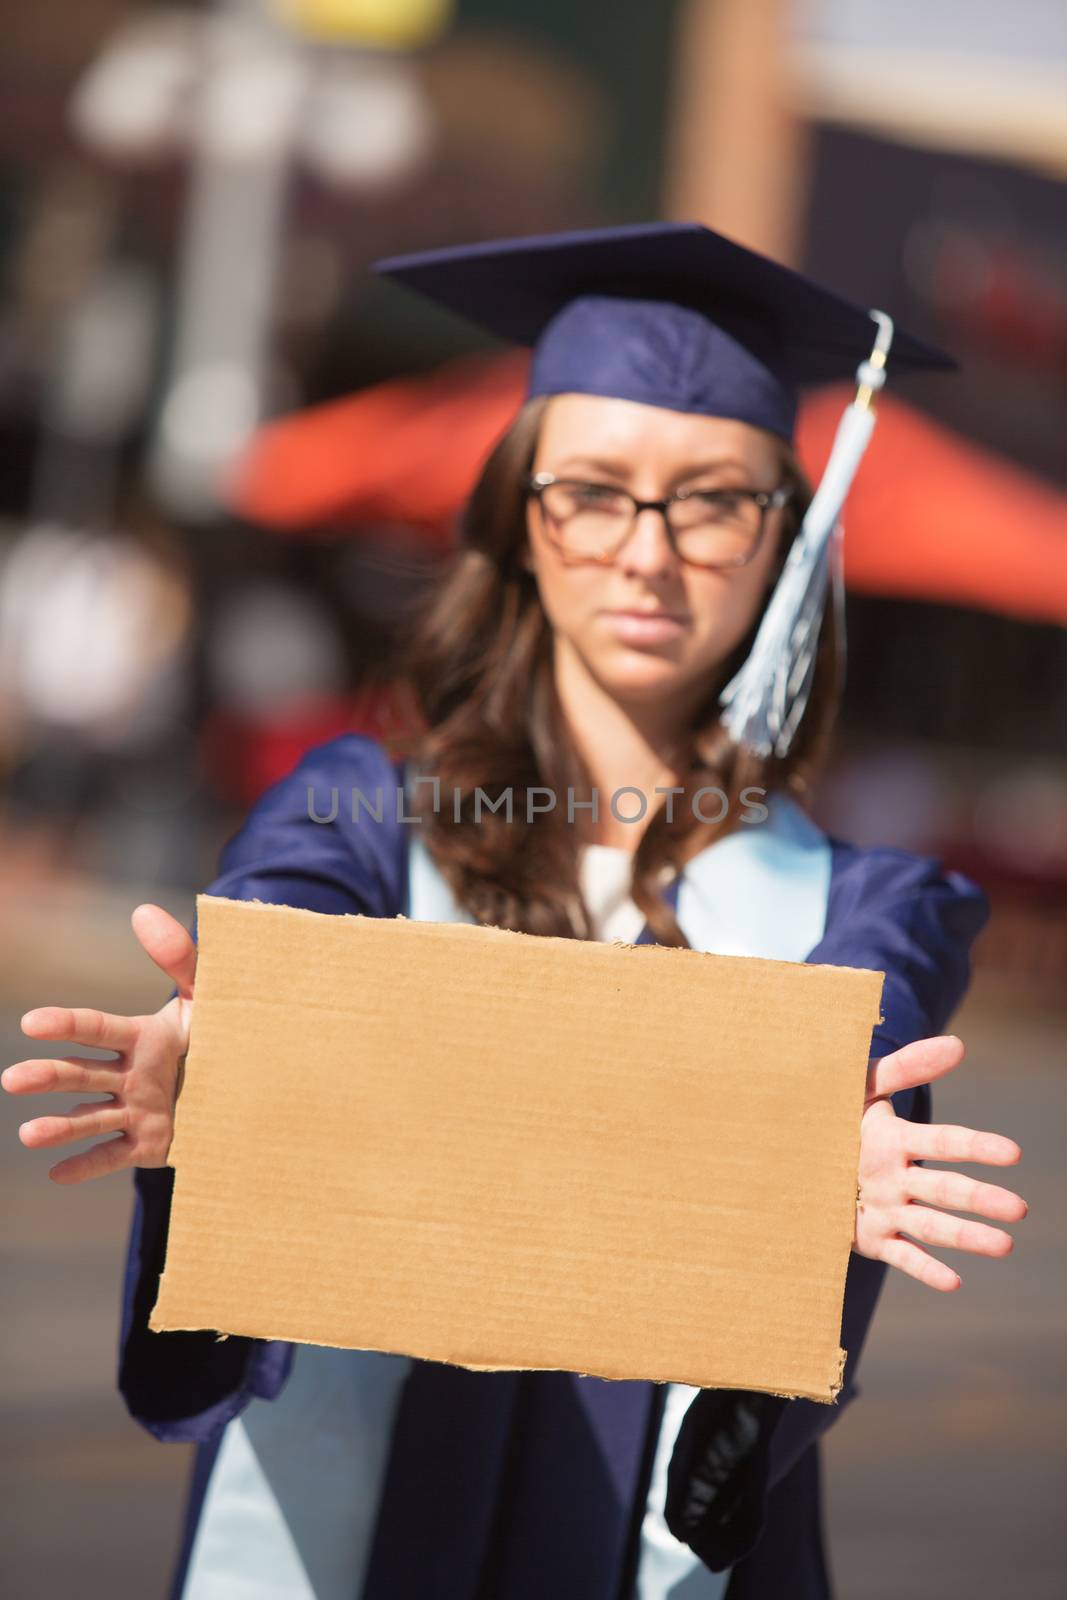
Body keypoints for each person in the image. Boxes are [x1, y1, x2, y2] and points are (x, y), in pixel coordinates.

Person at [3, 223, 1027, 1600]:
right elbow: (287, 902)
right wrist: (234, 1049)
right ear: (515, 516)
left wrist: (831, 1136)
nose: (646, 554)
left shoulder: (864, 900)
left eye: (714, 499)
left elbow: (873, 1013)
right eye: (591, 490)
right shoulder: (357, 812)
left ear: (788, 536)